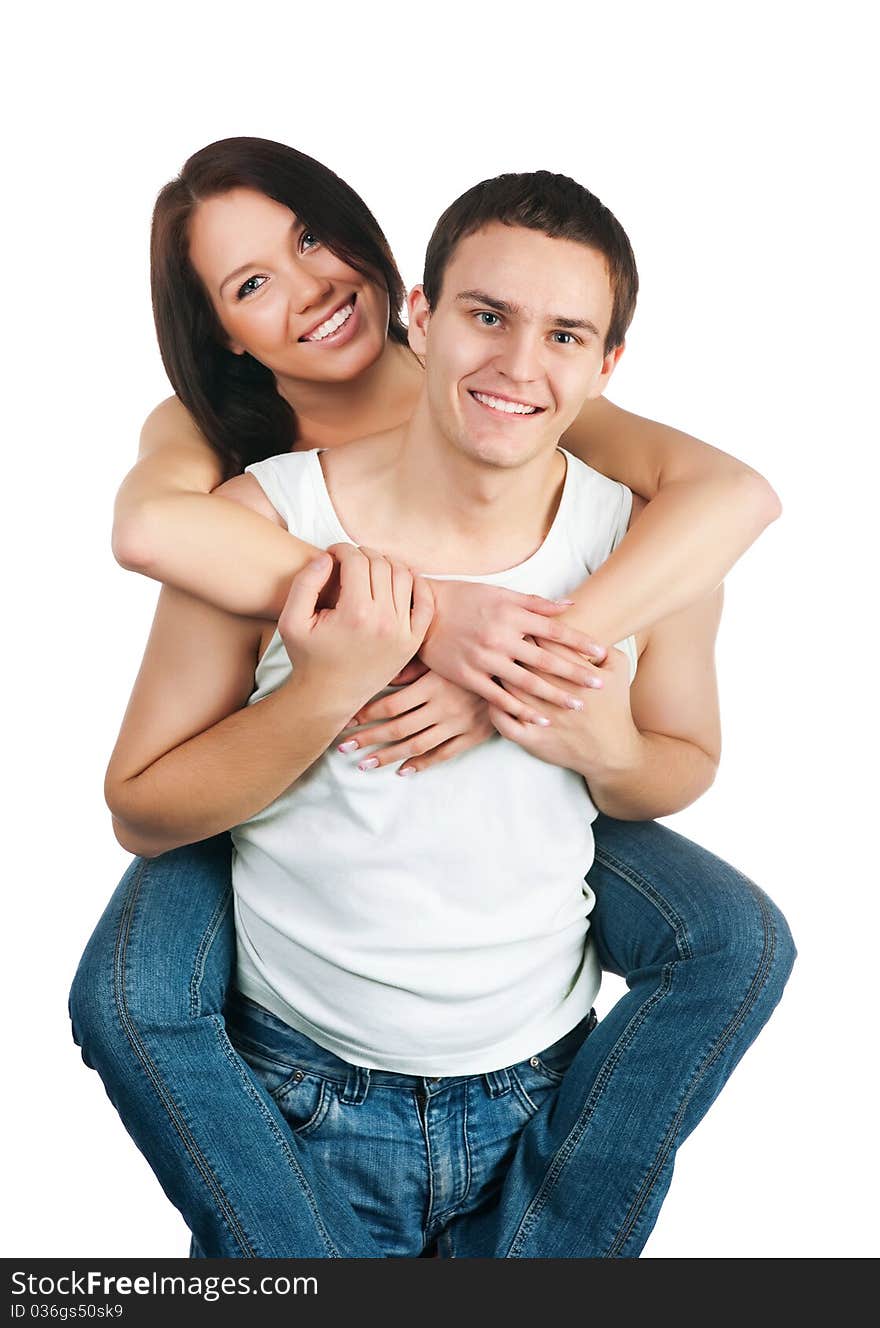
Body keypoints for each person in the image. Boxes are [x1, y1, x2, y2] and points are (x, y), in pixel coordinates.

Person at [70, 141, 791, 1257]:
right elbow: (148, 533)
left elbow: (732, 497)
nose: (306, 288)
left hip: (506, 847)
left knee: (732, 936)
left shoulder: (514, 390)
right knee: (128, 996)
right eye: (251, 282)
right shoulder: (235, 464)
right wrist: (424, 624)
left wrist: (521, 675)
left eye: (310, 238)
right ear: (221, 331)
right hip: (299, 818)